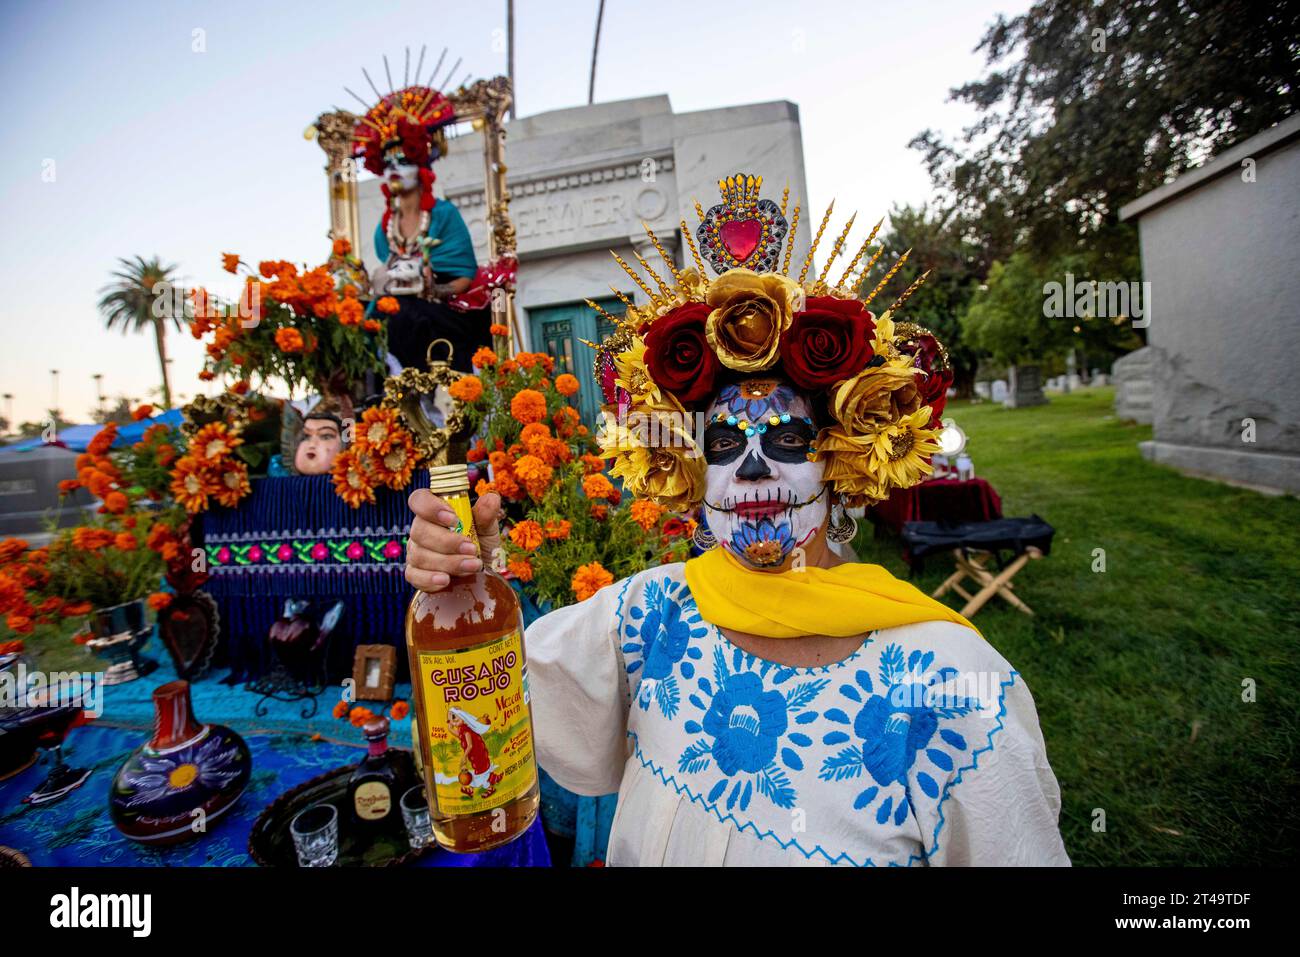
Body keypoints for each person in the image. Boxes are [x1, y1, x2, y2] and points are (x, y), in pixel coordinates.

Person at [405, 173, 1070, 866]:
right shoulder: (646, 615)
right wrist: (471, 578)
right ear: (694, 475)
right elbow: (483, 708)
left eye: (785, 440)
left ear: (839, 462)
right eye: (724, 444)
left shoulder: (952, 684)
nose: (751, 468)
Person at [351, 79, 490, 373]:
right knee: (357, 320)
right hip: (400, 310)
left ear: (421, 166)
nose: (394, 170)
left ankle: (419, 386)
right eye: (387, 164)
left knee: (402, 316)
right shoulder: (386, 225)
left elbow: (464, 278)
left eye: (402, 161)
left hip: (446, 311)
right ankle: (381, 392)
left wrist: (431, 286)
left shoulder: (443, 215)